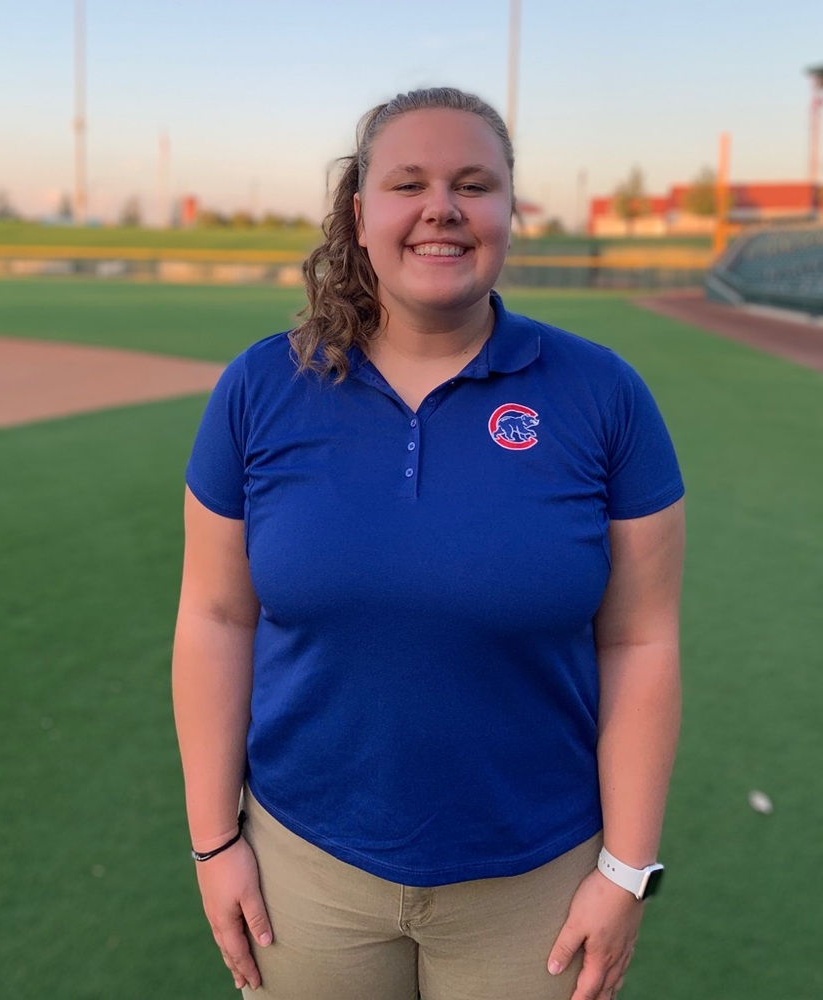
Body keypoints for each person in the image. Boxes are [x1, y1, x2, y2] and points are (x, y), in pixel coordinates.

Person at [173, 87, 685, 1000]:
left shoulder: (604, 395)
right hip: (305, 872)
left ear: (510, 212)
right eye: (408, 182)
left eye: (473, 184)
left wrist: (626, 870)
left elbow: (640, 639)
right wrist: (215, 842)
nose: (441, 207)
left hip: (538, 882)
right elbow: (214, 616)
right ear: (360, 212)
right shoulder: (261, 388)